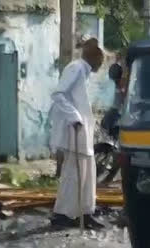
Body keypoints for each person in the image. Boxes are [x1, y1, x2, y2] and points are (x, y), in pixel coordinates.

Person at [49, 38, 105, 230]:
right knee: (73, 174)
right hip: (74, 130)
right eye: (101, 58)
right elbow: (58, 94)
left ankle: (85, 212)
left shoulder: (85, 73)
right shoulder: (76, 68)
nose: (102, 62)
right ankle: (63, 214)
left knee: (88, 172)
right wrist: (75, 118)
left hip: (83, 132)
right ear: (95, 57)